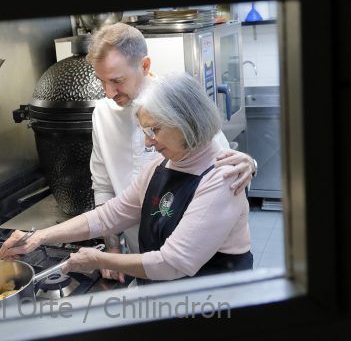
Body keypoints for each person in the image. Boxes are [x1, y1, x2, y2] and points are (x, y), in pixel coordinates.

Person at [0, 72, 253, 282]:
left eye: (154, 130)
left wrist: (98, 259)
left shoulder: (224, 177)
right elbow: (109, 215)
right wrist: (40, 236)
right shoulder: (160, 166)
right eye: (144, 131)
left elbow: (172, 263)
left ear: (186, 122)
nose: (148, 142)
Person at [85, 23, 256, 282]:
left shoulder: (178, 104)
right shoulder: (102, 114)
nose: (109, 93)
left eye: (117, 81)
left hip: (194, 261)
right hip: (138, 254)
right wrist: (112, 246)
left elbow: (222, 164)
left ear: (144, 65)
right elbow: (103, 187)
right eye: (102, 81)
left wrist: (251, 164)